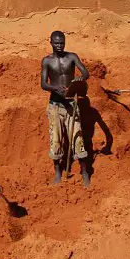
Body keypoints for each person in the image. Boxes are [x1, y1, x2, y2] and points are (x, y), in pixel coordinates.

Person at [40, 31, 91, 186]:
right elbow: (43, 84)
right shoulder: (47, 61)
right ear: (51, 43)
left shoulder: (72, 57)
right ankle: (57, 172)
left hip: (71, 104)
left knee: (77, 137)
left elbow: (85, 72)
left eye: (62, 43)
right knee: (56, 139)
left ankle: (84, 172)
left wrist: (81, 78)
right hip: (55, 105)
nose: (60, 46)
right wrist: (55, 88)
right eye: (56, 43)